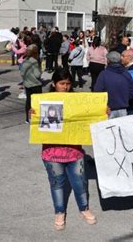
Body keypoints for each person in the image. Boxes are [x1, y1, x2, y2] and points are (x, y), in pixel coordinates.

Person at [32, 68, 96, 231]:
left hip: (74, 153)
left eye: (68, 84)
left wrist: (102, 113)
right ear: (54, 84)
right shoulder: (45, 101)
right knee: (57, 184)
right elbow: (37, 125)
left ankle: (84, 208)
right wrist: (33, 114)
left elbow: (90, 118)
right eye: (62, 83)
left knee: (80, 183)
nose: (65, 87)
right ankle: (59, 212)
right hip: (52, 153)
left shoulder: (78, 101)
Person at [93, 51, 133, 118]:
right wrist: (124, 98)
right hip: (123, 110)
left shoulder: (104, 74)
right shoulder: (126, 73)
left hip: (108, 110)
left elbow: (97, 92)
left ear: (108, 60)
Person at [20, 44, 43, 123]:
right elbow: (37, 74)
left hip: (27, 84)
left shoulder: (25, 60)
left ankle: (28, 118)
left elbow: (22, 73)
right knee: (37, 102)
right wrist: (40, 70)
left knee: (28, 102)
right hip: (35, 84)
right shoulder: (34, 61)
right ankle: (36, 117)